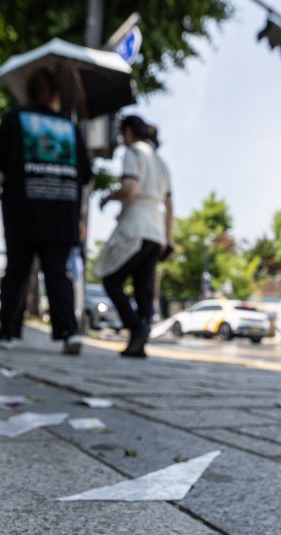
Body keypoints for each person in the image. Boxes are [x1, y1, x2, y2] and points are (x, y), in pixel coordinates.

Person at [0, 68, 91, 354]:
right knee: (56, 271)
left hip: (23, 208)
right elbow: (83, 179)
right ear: (55, 94)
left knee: (17, 270)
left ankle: (7, 332)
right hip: (62, 212)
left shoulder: (16, 119)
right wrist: (79, 217)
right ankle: (69, 332)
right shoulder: (69, 128)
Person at [95, 115, 173, 358]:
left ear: (128, 131)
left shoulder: (133, 153)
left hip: (135, 226)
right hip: (156, 231)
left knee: (111, 278)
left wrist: (108, 197)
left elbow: (129, 190)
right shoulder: (161, 162)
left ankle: (135, 327)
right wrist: (168, 241)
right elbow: (170, 206)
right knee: (143, 289)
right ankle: (138, 343)